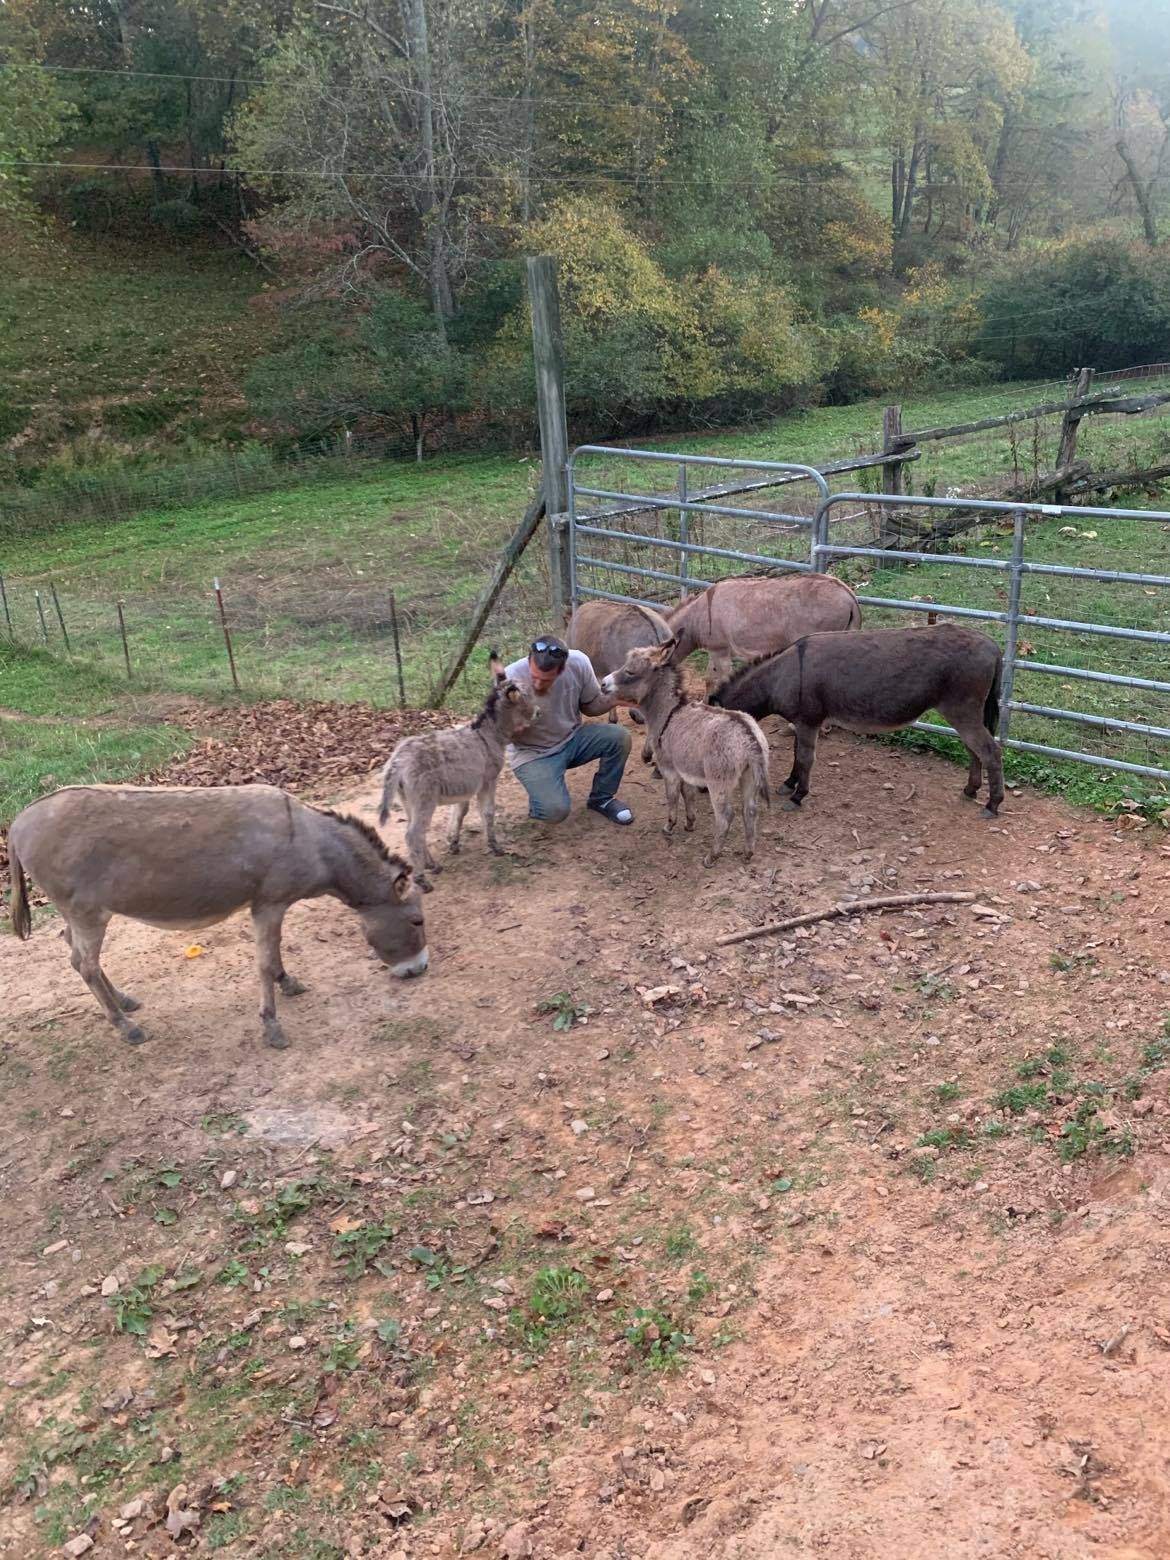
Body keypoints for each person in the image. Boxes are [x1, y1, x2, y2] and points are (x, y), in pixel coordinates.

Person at [504, 635, 635, 826]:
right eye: (535, 678)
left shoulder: (578, 662)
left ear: (562, 669)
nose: (539, 685)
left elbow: (590, 707)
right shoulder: (509, 679)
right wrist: (513, 727)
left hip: (572, 739)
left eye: (547, 680)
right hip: (533, 754)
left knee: (619, 738)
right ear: (529, 659)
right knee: (555, 811)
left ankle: (602, 799)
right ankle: (541, 799)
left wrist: (614, 699)